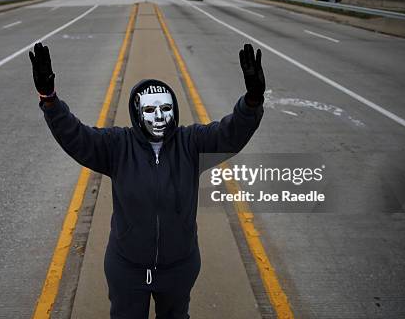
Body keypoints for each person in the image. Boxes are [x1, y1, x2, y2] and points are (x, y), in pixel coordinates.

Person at [29, 43, 265, 319]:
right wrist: (49, 99)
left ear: (174, 111)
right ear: (137, 114)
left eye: (166, 108)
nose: (160, 117)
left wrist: (252, 100)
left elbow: (230, 134)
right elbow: (76, 137)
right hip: (126, 267)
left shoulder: (191, 143)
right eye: (150, 110)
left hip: (179, 267)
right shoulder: (117, 146)